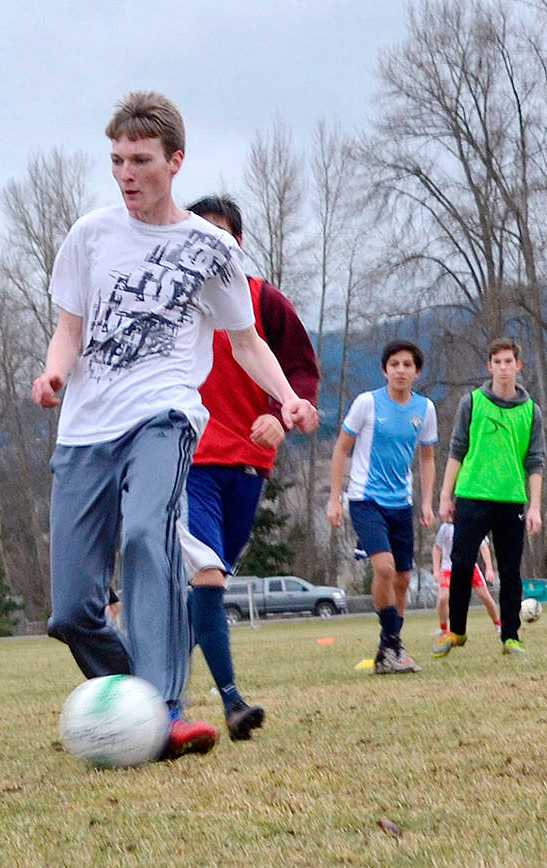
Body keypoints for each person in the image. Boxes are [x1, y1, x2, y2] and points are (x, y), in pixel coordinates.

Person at [32, 92, 317, 760]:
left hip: (164, 417)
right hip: (84, 431)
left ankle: (163, 707)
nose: (125, 174)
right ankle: (136, 704)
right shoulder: (90, 237)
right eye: (117, 161)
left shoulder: (209, 248)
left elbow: (246, 342)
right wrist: (52, 375)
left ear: (175, 161)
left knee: (146, 535)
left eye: (140, 160)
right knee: (71, 611)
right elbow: (68, 330)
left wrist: (286, 400)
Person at [182, 195, 319, 741]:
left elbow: (300, 370)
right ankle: (232, 702)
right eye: (203, 233)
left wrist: (279, 418)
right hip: (187, 460)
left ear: (238, 243)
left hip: (248, 465)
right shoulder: (176, 303)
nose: (215, 243)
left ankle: (142, 679)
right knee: (207, 574)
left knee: (207, 587)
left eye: (224, 234)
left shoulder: (264, 300)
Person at [327, 340, 437, 674]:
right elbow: (341, 448)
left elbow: (428, 457)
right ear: (384, 370)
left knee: (403, 578)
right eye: (394, 365)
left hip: (401, 503)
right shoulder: (367, 404)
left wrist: (427, 502)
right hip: (365, 499)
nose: (400, 370)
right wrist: (335, 499)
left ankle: (388, 649)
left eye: (407, 365)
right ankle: (393, 644)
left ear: (417, 372)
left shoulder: (425, 409)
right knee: (385, 569)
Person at [434, 337, 544, 657]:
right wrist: (445, 496)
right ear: (489, 366)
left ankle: (510, 636)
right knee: (462, 563)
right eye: (498, 362)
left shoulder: (531, 411)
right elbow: (456, 450)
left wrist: (535, 506)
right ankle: (456, 632)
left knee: (510, 570)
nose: (504, 367)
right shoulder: (472, 403)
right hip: (471, 495)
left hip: (511, 499)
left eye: (509, 361)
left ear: (518, 366)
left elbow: (535, 461)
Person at [431, 523, 499, 637]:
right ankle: (443, 629)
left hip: (469, 566)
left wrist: (489, 568)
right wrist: (436, 569)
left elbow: (484, 546)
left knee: (485, 596)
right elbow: (437, 548)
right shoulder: (445, 528)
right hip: (448, 568)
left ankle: (498, 624)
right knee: (443, 598)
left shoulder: (472, 523)